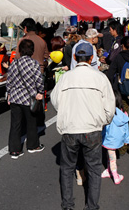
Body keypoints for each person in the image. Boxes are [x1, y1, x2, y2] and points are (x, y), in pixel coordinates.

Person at [50, 42, 115, 210]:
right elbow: (110, 107)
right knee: (93, 169)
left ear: (74, 57)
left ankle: (68, 205)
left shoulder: (66, 77)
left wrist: (66, 112)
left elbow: (55, 100)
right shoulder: (100, 77)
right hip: (92, 128)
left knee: (67, 168)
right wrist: (103, 121)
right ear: (91, 58)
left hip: (70, 128)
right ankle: (92, 206)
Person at [5, 39, 45, 159]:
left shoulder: (14, 63)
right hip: (29, 98)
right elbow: (39, 80)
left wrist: (9, 94)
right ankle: (33, 146)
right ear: (32, 51)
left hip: (16, 97)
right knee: (31, 122)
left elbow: (9, 81)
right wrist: (40, 92)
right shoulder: (34, 63)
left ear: (20, 51)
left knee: (15, 124)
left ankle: (14, 150)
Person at [101, 90, 129, 185]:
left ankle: (115, 175)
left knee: (112, 158)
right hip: (118, 140)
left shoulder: (109, 114)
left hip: (109, 140)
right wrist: (126, 139)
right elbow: (126, 128)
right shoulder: (123, 113)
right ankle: (108, 170)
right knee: (111, 155)